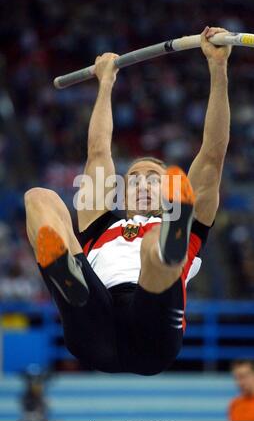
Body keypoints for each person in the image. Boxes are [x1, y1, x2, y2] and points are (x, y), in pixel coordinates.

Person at [24, 26, 231, 375]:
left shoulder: (193, 228)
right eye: (134, 179)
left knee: (157, 242)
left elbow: (212, 155)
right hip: (96, 325)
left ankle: (168, 241)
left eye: (154, 179)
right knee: (38, 198)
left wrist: (218, 68)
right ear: (122, 190)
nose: (143, 184)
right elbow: (98, 151)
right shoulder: (101, 222)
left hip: (154, 334)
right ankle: (64, 270)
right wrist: (106, 82)